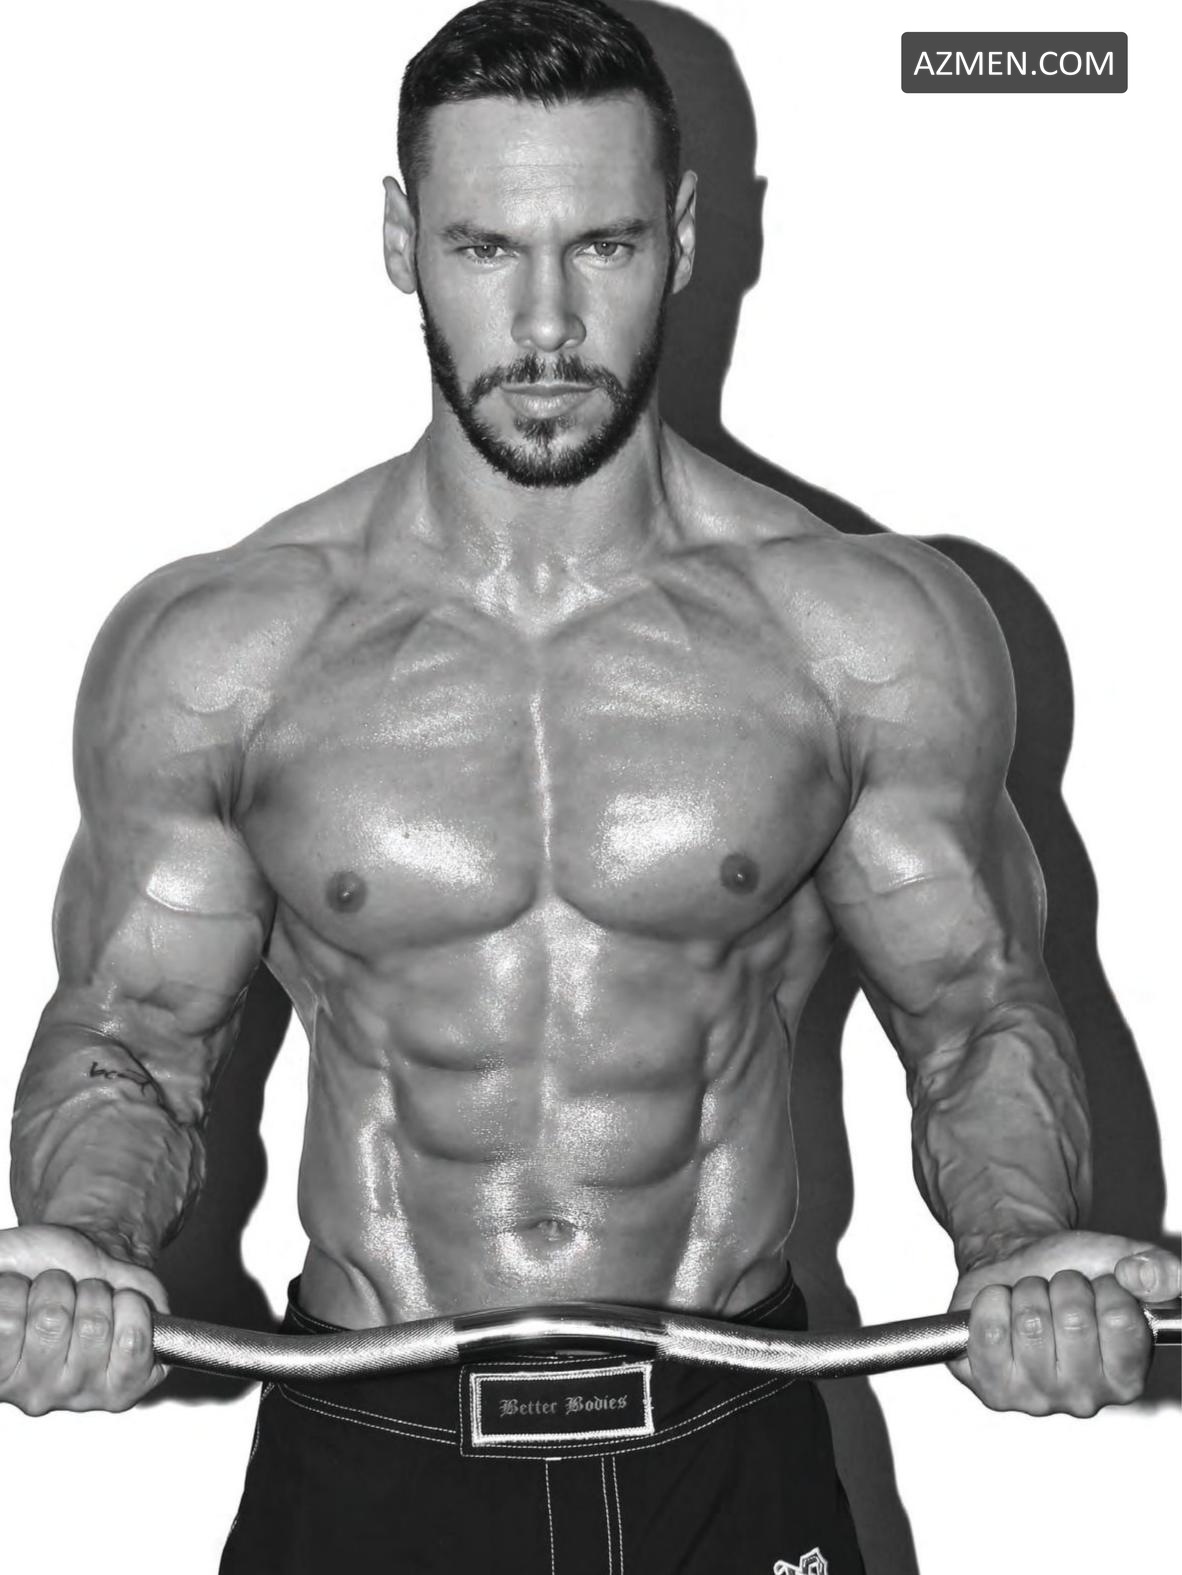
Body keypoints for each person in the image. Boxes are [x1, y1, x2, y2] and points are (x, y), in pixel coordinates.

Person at [1, 0, 1176, 1570]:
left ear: (679, 238)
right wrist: (80, 1251)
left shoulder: (860, 634)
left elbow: (974, 1011)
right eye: (486, 248)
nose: (546, 323)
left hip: (725, 1432)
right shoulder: (227, 651)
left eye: (601, 246)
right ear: (401, 242)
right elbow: (135, 1037)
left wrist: (1021, 1254)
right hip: (369, 1438)